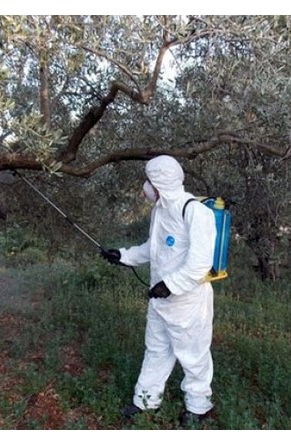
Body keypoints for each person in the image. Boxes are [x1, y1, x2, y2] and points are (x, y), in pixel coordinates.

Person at [101, 155, 217, 426]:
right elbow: (154, 248)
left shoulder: (195, 212)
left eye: (150, 181)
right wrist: (124, 256)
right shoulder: (160, 210)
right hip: (160, 299)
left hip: (188, 303)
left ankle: (199, 407)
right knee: (155, 349)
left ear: (161, 182)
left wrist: (170, 286)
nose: (146, 187)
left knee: (193, 355)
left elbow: (200, 263)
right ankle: (145, 401)